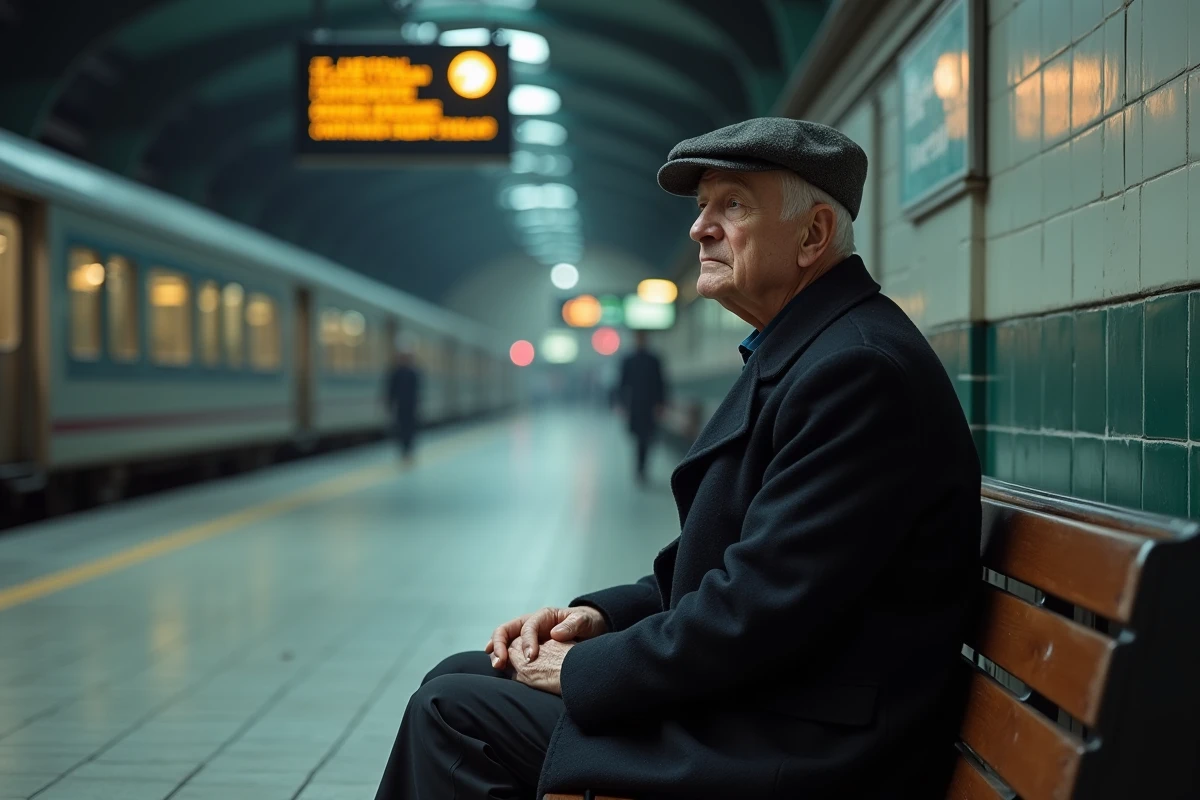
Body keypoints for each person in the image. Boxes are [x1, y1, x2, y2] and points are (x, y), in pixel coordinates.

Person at [373, 118, 982, 800]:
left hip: (808, 744)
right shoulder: (812, 349)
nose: (700, 229)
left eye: (733, 206)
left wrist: (582, 669)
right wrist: (597, 619)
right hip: (774, 700)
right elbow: (735, 568)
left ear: (812, 236)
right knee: (460, 674)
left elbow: (756, 610)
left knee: (453, 716)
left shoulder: (856, 370)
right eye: (702, 208)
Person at [616, 330, 667, 485]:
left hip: (648, 405)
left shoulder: (653, 360)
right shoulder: (629, 360)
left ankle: (641, 468)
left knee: (646, 438)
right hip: (635, 405)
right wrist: (622, 404)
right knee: (640, 438)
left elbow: (661, 383)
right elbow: (622, 384)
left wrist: (661, 404)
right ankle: (640, 468)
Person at [384, 348, 420, 464]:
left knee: (410, 429)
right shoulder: (397, 372)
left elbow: (417, 391)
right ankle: (404, 451)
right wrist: (389, 403)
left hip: (411, 406)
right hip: (401, 406)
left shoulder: (413, 372)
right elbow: (391, 390)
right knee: (401, 429)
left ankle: (408, 451)